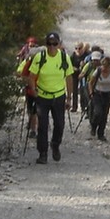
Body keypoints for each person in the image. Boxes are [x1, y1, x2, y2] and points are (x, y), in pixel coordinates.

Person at [26, 31, 75, 164]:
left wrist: (69, 97)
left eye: (55, 44)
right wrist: (34, 90)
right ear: (46, 44)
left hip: (59, 96)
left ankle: (55, 144)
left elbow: (69, 77)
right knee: (43, 125)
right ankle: (43, 153)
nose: (52, 46)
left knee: (59, 124)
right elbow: (31, 76)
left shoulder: (64, 58)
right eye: (49, 44)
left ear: (59, 44)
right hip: (42, 96)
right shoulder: (39, 57)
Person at [15, 37, 41, 134]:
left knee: (35, 110)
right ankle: (34, 128)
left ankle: (34, 128)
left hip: (36, 90)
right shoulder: (28, 62)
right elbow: (21, 73)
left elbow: (21, 74)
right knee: (33, 110)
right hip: (32, 90)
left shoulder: (29, 62)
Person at [88, 55, 110, 140]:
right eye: (103, 66)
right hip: (97, 94)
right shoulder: (98, 71)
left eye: (106, 67)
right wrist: (91, 92)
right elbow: (90, 82)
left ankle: (101, 134)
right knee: (97, 112)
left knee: (104, 115)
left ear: (109, 66)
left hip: (107, 95)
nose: (104, 68)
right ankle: (93, 126)